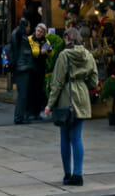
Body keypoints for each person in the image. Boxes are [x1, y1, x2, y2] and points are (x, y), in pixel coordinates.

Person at [44, 26, 98, 186]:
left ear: (68, 39)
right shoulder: (88, 55)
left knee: (65, 137)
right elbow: (94, 80)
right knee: (77, 137)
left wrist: (49, 104)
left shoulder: (64, 55)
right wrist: (83, 83)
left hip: (66, 97)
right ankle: (78, 174)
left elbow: (57, 82)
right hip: (82, 96)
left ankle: (67, 173)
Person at [11, 17, 34, 124]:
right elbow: (26, 53)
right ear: (25, 27)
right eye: (28, 26)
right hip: (22, 67)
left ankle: (20, 116)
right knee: (23, 94)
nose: (30, 28)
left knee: (22, 94)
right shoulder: (22, 37)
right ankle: (19, 117)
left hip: (20, 67)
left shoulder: (17, 35)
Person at [28, 22, 53, 120]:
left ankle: (37, 113)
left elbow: (50, 54)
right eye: (38, 31)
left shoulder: (45, 41)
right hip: (31, 67)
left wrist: (49, 50)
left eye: (41, 32)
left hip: (41, 68)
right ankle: (30, 112)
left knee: (39, 90)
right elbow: (31, 52)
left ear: (44, 33)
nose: (38, 33)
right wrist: (40, 51)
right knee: (31, 91)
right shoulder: (30, 39)